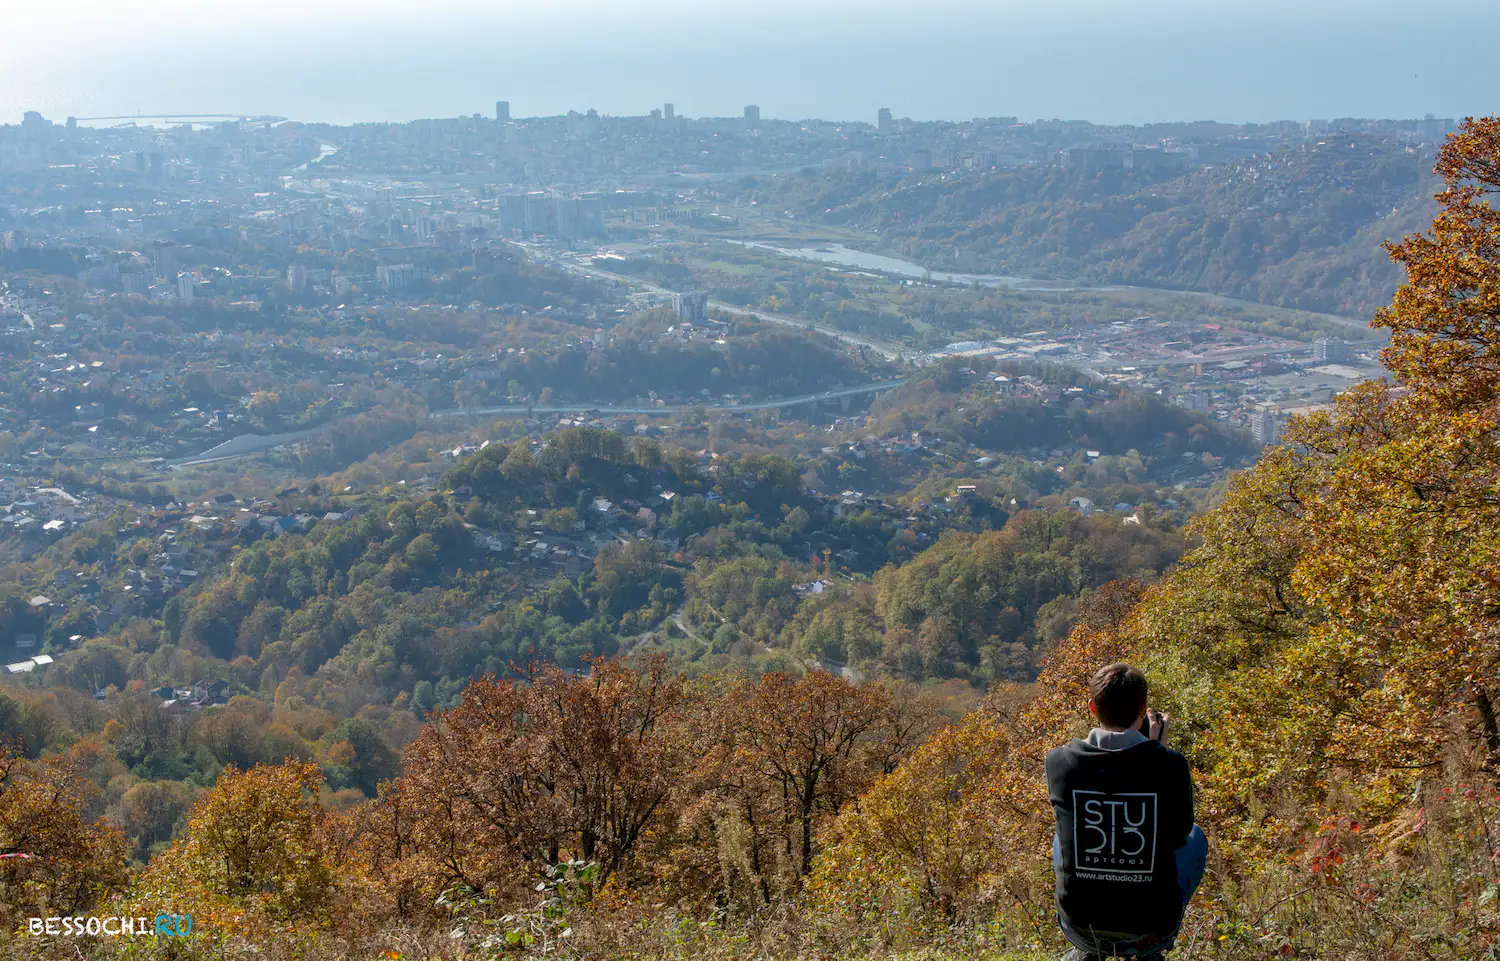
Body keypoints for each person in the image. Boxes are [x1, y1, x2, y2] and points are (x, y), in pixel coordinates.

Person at [1046, 663, 1207, 959]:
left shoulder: (1058, 763)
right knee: (1197, 838)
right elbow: (1179, 832)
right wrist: (1156, 750)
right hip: (1152, 923)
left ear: (1092, 707)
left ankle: (1091, 949)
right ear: (1143, 708)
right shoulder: (1169, 765)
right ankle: (1146, 947)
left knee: (1062, 839)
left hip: (1079, 923)